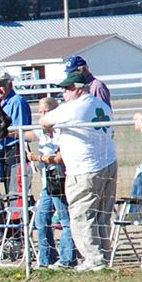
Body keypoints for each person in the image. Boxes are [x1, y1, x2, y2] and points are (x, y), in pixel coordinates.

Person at [40, 69, 116, 271]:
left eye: (66, 89)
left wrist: (50, 128)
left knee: (81, 214)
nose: (64, 94)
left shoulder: (74, 108)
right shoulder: (102, 105)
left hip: (84, 167)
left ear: (77, 89)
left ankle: (94, 259)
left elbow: (44, 120)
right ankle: (102, 256)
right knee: (102, 214)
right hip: (108, 163)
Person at [27, 95, 76, 269]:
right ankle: (47, 258)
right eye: (40, 112)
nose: (42, 115)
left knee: (65, 219)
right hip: (48, 182)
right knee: (41, 219)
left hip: (60, 179)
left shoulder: (62, 131)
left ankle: (68, 258)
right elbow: (25, 134)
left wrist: (37, 157)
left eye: (46, 111)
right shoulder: (42, 131)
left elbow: (60, 158)